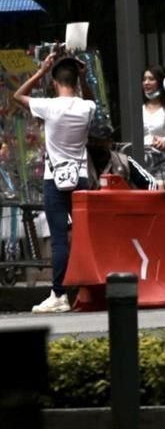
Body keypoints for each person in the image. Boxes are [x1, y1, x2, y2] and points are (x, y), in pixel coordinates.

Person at [13, 52, 96, 314]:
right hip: (80, 177)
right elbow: (91, 101)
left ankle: (59, 294)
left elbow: (17, 97)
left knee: (60, 239)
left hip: (54, 180)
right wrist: (84, 79)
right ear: (75, 80)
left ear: (54, 82)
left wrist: (40, 71)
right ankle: (89, 289)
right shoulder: (86, 108)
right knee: (84, 236)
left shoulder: (48, 106)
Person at [141, 66, 165, 188]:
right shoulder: (138, 108)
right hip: (143, 158)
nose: (147, 82)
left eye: (151, 79)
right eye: (144, 79)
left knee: (158, 190)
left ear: (159, 82)